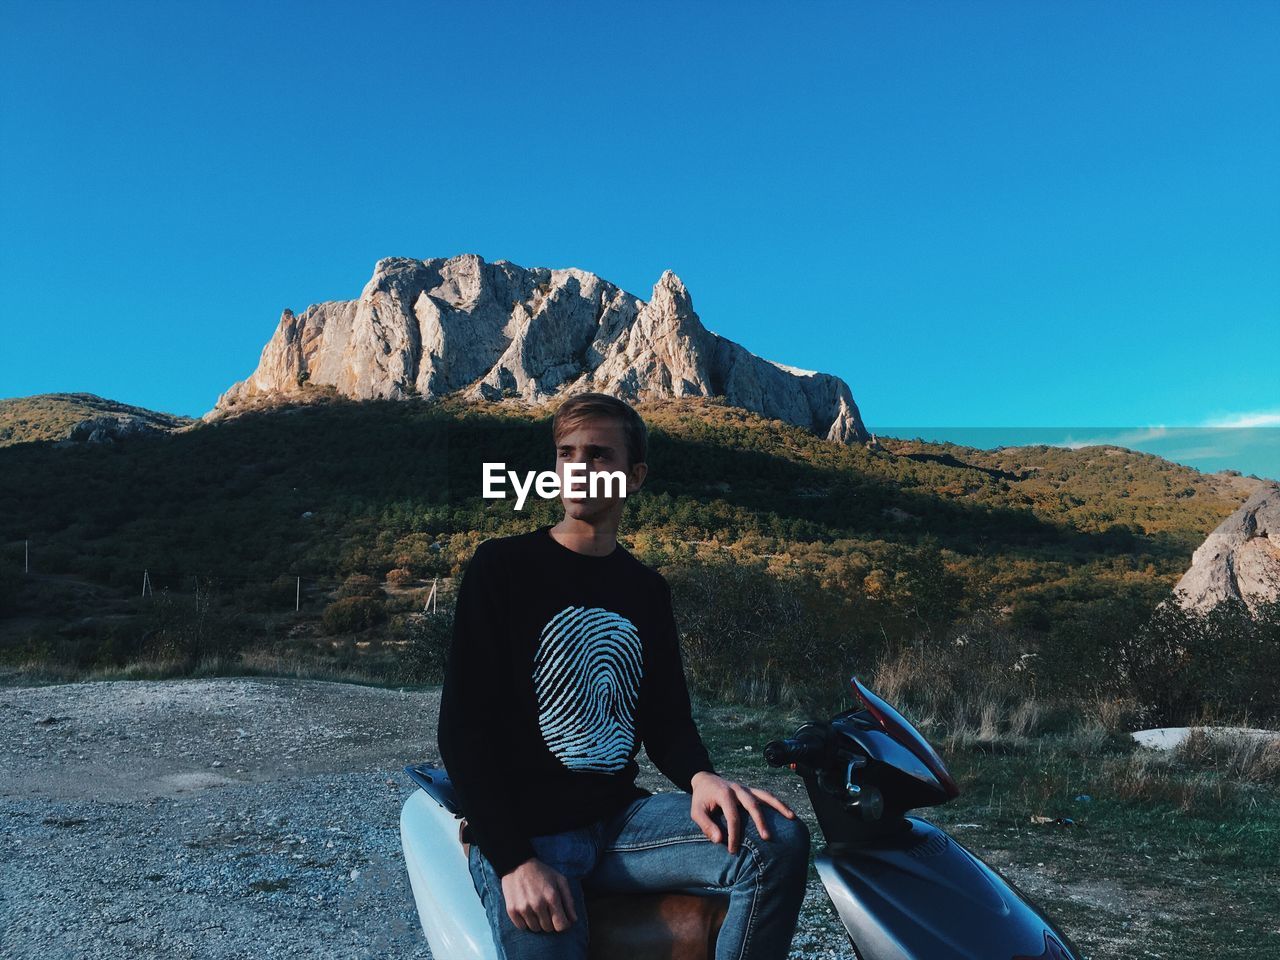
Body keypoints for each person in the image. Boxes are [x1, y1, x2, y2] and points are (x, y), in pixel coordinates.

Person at [436, 391, 811, 960]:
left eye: (599, 455)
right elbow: (463, 730)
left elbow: (665, 718)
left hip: (620, 826)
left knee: (774, 839)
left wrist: (700, 777)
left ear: (633, 477)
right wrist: (514, 861)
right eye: (567, 453)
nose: (580, 468)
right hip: (528, 833)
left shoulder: (645, 589)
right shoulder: (502, 567)